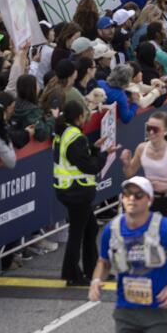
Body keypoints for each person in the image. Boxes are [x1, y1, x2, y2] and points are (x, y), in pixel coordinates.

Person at [88, 177, 167, 333]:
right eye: (127, 194)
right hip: (126, 310)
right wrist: (96, 281)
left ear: (149, 200)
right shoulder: (112, 229)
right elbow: (104, 262)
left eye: (138, 195)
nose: (132, 199)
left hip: (158, 310)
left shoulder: (165, 228)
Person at [54, 100, 114, 286]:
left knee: (90, 229)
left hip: (69, 190)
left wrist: (94, 148)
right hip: (76, 191)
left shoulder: (64, 133)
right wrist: (103, 155)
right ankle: (72, 274)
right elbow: (89, 166)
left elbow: (78, 157)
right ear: (79, 117)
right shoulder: (75, 137)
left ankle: (91, 271)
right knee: (77, 233)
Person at [122, 111, 167, 226]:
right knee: (144, 237)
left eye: (156, 129)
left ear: (165, 131)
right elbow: (129, 174)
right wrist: (126, 164)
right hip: (148, 197)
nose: (151, 132)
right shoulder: (141, 148)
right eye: (149, 128)